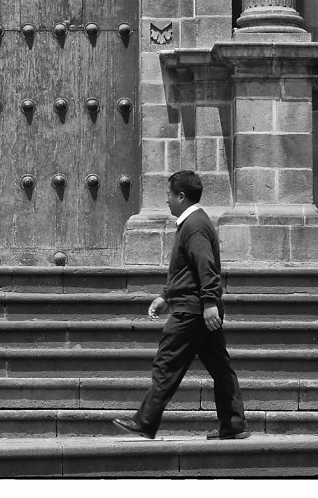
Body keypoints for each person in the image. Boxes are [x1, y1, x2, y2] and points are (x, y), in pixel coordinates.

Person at [112, 170, 249, 440]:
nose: (166, 201)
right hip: (194, 306)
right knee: (220, 368)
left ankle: (146, 421)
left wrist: (209, 301)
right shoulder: (193, 223)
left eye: (169, 195)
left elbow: (205, 267)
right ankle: (233, 423)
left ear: (182, 196)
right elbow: (186, 270)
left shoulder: (194, 225)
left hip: (191, 312)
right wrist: (166, 296)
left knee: (166, 363)